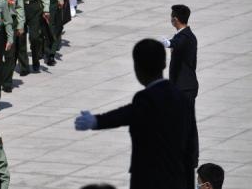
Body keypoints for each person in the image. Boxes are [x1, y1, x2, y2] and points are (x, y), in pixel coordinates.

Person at [74, 39, 198, 189]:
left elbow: (126, 114)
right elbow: (189, 152)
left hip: (149, 180)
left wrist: (96, 121)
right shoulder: (183, 99)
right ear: (164, 64)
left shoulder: (146, 99)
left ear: (137, 68)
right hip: (178, 181)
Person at [162, 4, 198, 105]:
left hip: (184, 88)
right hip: (181, 86)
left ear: (175, 19)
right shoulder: (183, 35)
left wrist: (168, 43)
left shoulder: (186, 36)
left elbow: (178, 42)